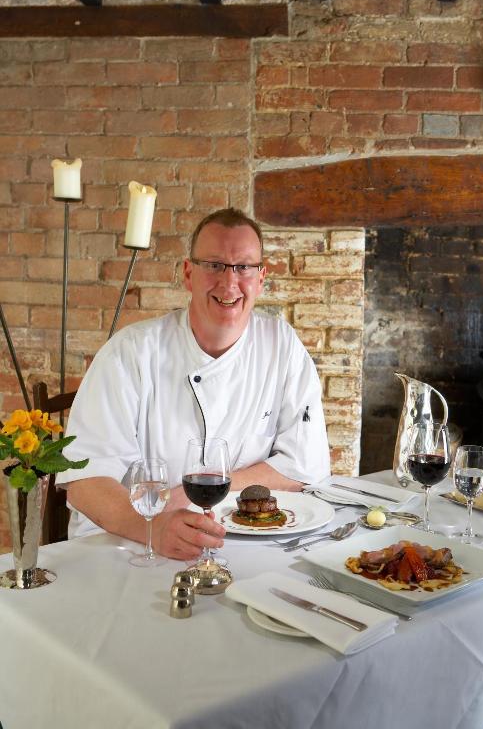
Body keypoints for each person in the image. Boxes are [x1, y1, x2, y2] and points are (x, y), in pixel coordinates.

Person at [58, 208, 330, 560]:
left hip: (239, 540)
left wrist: (189, 496)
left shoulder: (281, 345)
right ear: (189, 274)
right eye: (214, 265)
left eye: (243, 267)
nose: (229, 283)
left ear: (261, 278)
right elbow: (84, 479)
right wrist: (152, 529)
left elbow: (304, 464)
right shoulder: (131, 352)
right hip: (129, 545)